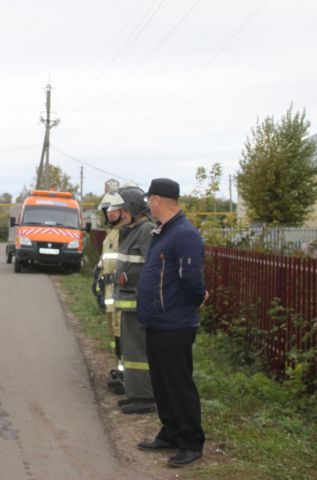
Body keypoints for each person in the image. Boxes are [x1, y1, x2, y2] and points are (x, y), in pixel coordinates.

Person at [136, 178, 207, 467]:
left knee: (178, 384)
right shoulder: (163, 231)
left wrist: (199, 296)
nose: (147, 206)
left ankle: (191, 441)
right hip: (157, 322)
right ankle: (171, 432)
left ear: (156, 200)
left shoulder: (184, 234)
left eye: (148, 200)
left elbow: (191, 280)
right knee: (162, 383)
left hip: (175, 323)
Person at [113, 186, 156, 414]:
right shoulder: (132, 230)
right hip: (128, 303)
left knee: (139, 352)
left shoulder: (146, 230)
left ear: (131, 208)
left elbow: (153, 267)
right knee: (130, 351)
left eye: (121, 208)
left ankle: (145, 397)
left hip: (138, 303)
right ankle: (134, 392)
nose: (118, 213)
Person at [94, 192, 126, 394]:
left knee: (122, 333)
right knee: (115, 334)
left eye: (110, 210)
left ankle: (125, 373)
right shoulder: (113, 232)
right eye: (107, 211)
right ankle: (120, 368)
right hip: (110, 294)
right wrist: (97, 276)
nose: (108, 214)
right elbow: (107, 259)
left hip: (120, 294)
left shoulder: (126, 232)